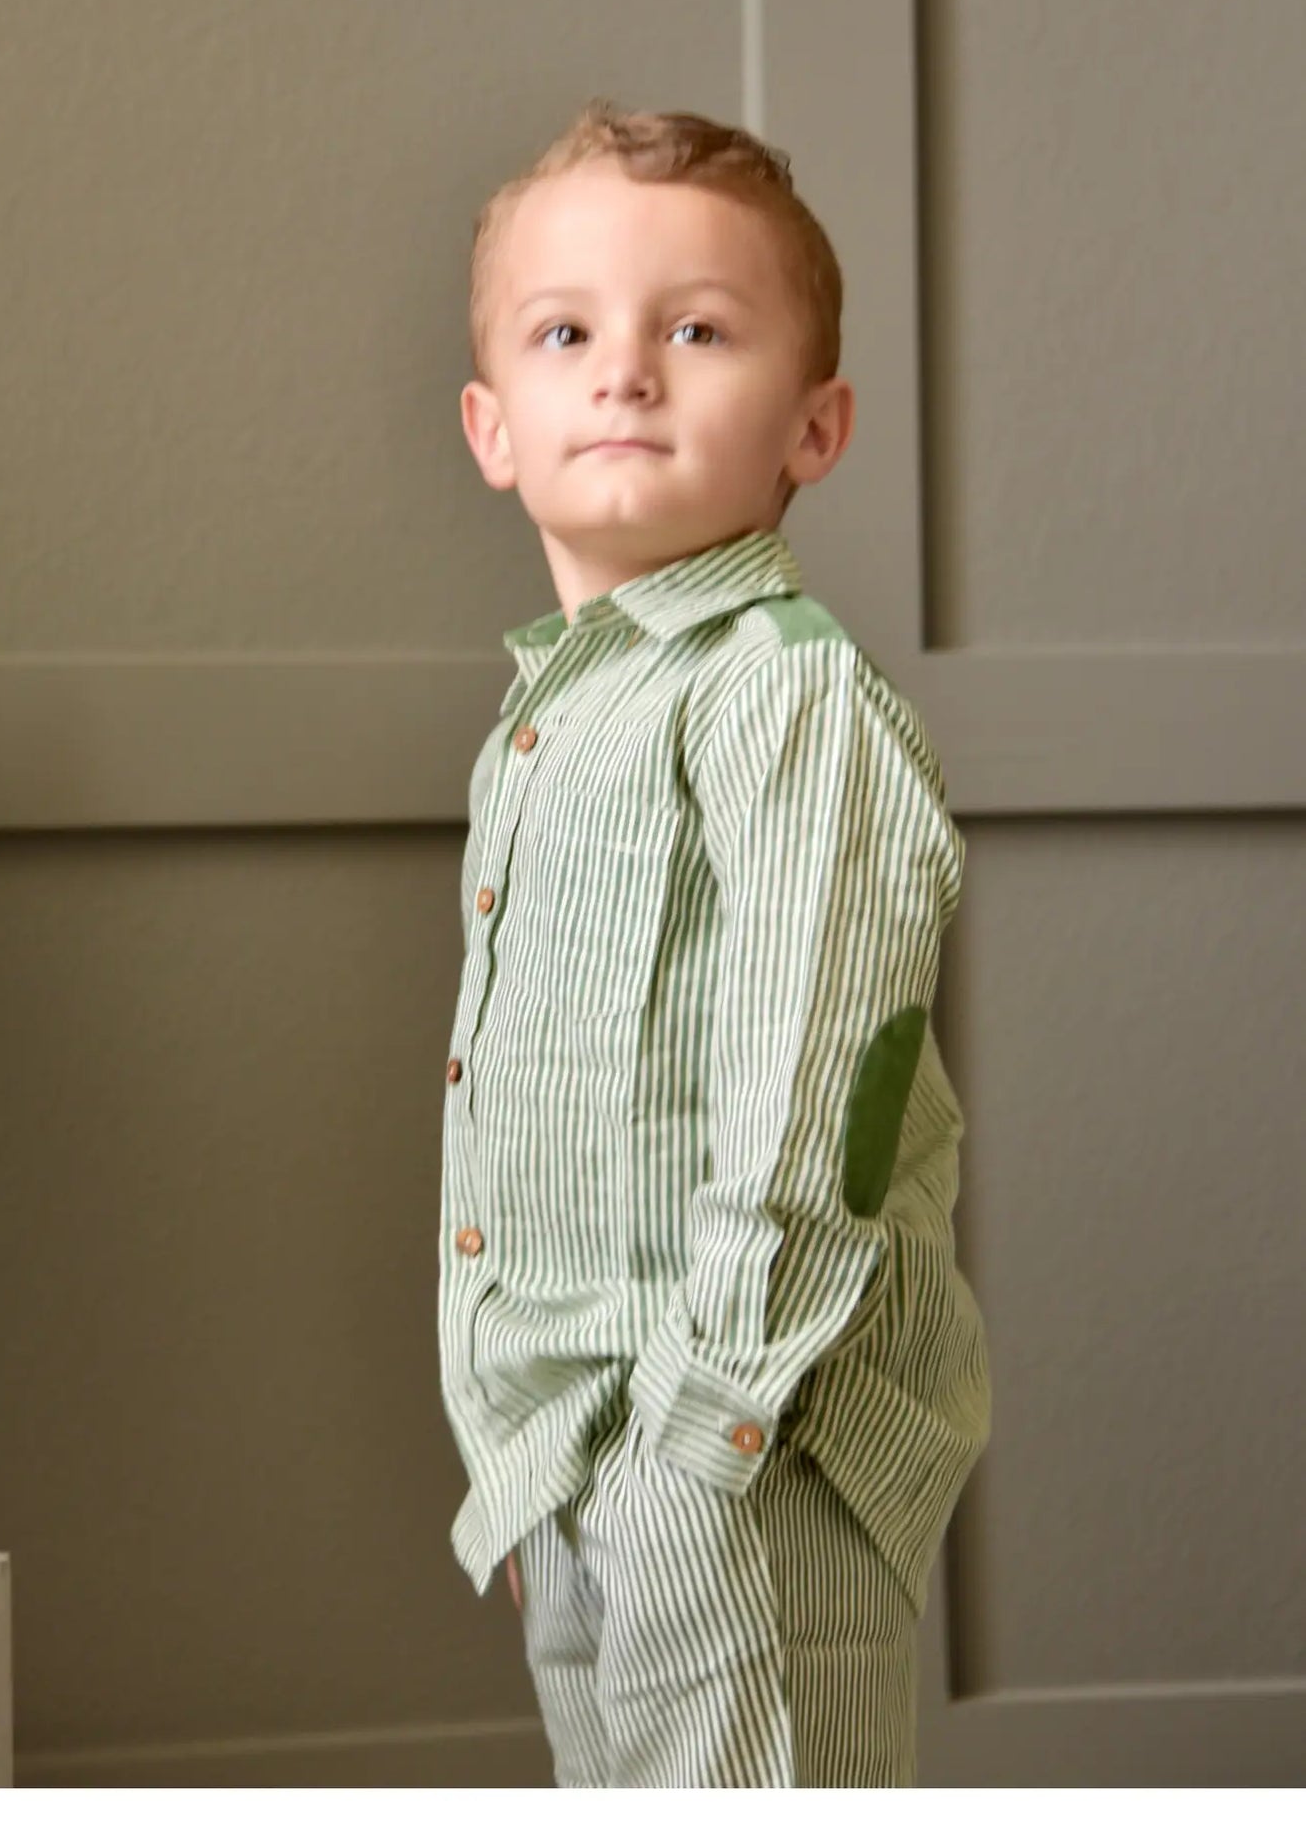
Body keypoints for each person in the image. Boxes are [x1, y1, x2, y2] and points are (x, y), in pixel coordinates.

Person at [437, 97, 990, 1788]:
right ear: (491, 426)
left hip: (742, 1457)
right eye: (566, 332)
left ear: (813, 426)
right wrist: (547, 1459)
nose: (624, 372)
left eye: (695, 328)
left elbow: (817, 1092)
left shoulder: (784, 698)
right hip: (575, 1452)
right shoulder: (546, 726)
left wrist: (702, 1433)